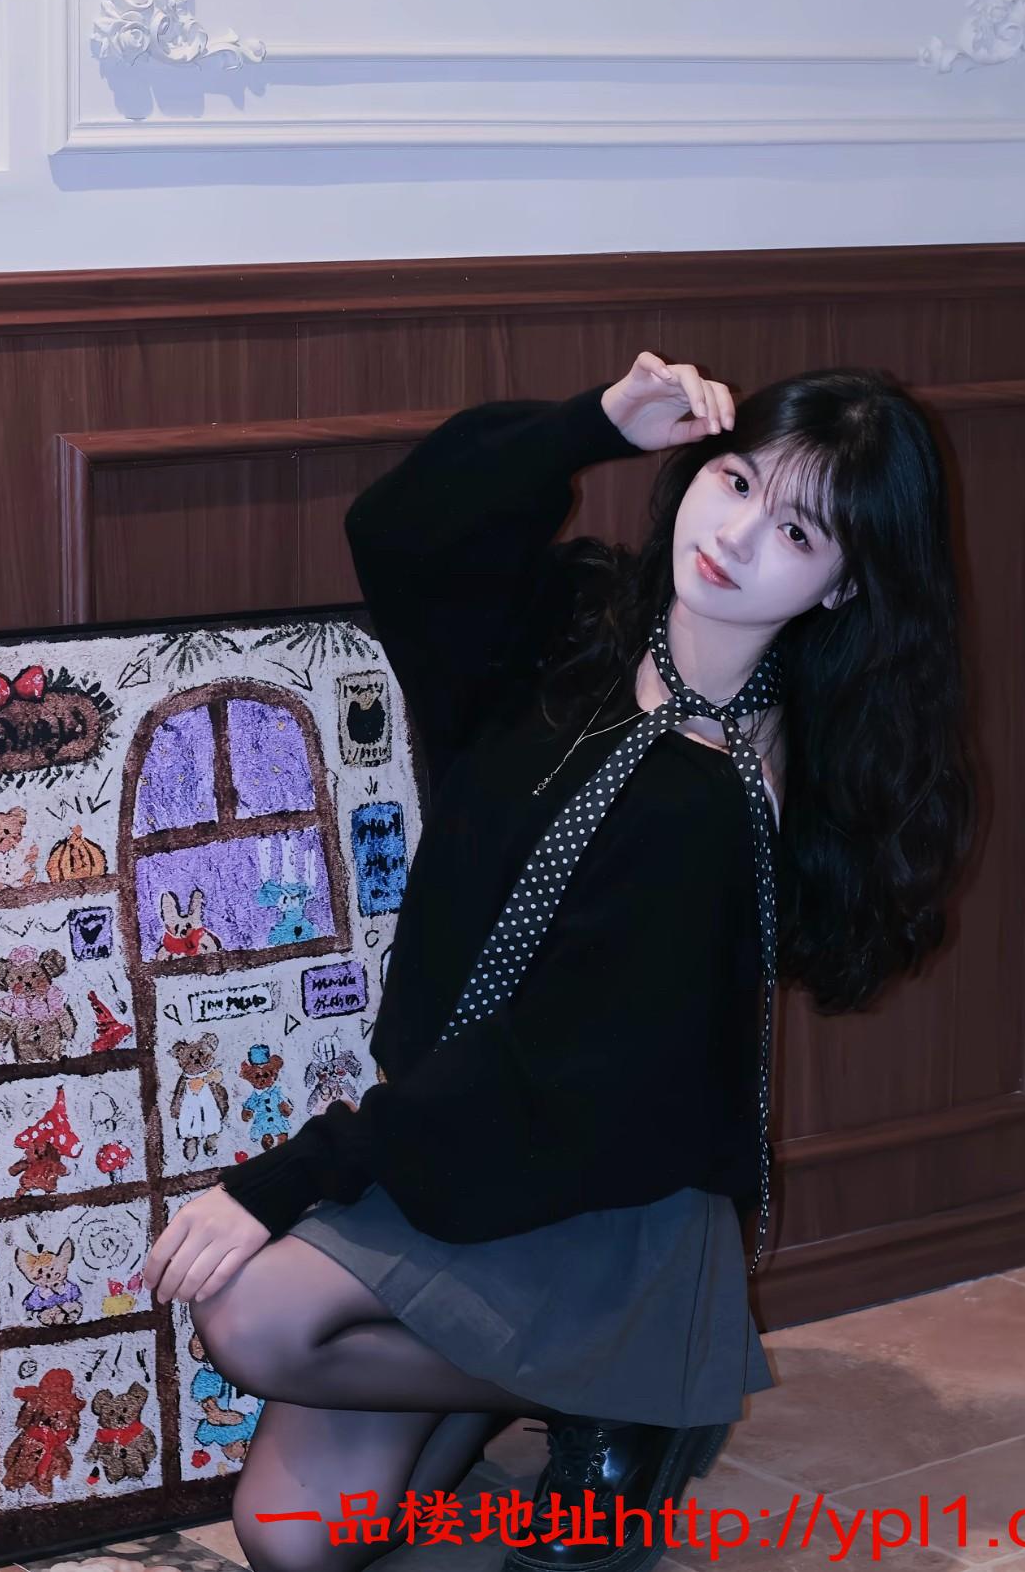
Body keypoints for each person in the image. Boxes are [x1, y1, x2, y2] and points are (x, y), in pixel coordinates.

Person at [143, 350, 976, 1572]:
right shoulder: (569, 628)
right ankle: (591, 1398)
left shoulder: (729, 799)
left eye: (797, 530)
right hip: (463, 1141)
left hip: (601, 1192)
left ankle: (629, 1392)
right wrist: (594, 423)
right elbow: (400, 529)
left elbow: (557, 1071)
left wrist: (287, 1179)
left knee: (255, 1317)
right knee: (294, 1537)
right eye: (736, 480)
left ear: (845, 584)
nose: (738, 536)